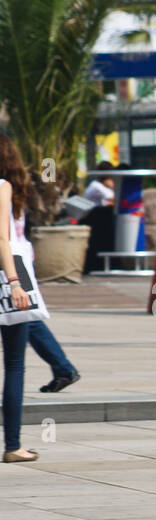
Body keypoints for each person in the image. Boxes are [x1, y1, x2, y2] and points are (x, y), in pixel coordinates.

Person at [0, 134, 39, 462]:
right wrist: (15, 282)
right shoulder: (3, 186)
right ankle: (12, 445)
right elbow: (3, 238)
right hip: (10, 274)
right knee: (14, 363)